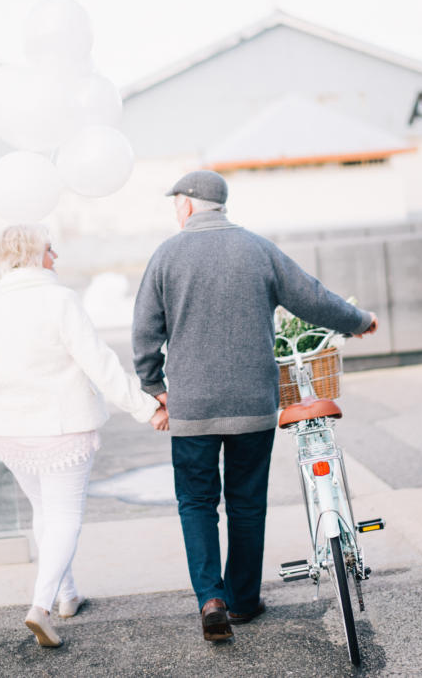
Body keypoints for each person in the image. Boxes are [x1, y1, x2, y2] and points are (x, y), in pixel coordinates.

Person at [132, 170, 378, 642]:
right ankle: (243, 601)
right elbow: (313, 299)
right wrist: (359, 321)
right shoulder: (258, 249)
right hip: (253, 402)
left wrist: (153, 384)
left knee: (197, 503)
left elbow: (145, 331)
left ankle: (211, 598)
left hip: (193, 407)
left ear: (187, 204)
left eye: (175, 202)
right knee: (246, 503)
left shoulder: (166, 255)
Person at [0, 224, 168, 648]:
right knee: (65, 517)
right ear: (35, 255)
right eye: (51, 249)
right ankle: (40, 606)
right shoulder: (59, 299)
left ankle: (66, 594)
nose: (56, 256)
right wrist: (147, 407)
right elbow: (101, 364)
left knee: (44, 511)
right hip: (60, 427)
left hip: (7, 429)